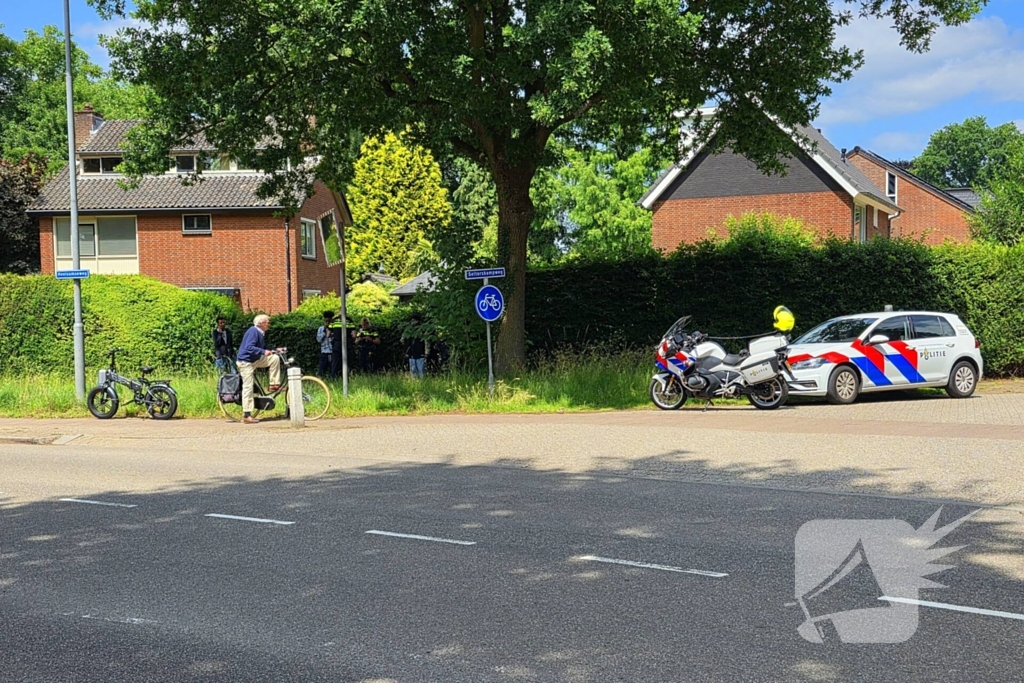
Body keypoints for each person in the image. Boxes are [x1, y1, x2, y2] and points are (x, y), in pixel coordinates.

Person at [236, 314, 283, 424]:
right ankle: (246, 415)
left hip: (255, 359)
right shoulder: (253, 331)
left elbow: (263, 347)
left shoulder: (260, 333)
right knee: (248, 387)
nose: (269, 324)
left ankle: (273, 384)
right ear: (261, 323)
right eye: (267, 322)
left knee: (274, 358)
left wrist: (274, 349)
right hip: (245, 362)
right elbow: (249, 347)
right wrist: (263, 352)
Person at [404, 314, 426, 379]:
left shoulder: (422, 330)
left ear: (418, 321)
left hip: (420, 353)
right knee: (413, 372)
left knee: (421, 371)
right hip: (411, 354)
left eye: (414, 320)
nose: (412, 322)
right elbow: (403, 340)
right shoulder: (408, 330)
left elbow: (426, 341)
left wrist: (426, 353)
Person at [316, 311, 334, 378]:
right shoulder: (321, 329)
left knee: (332, 369)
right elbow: (319, 340)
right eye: (326, 321)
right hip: (324, 352)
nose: (327, 323)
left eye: (329, 321)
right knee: (321, 369)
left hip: (332, 351)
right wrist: (324, 331)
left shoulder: (334, 328)